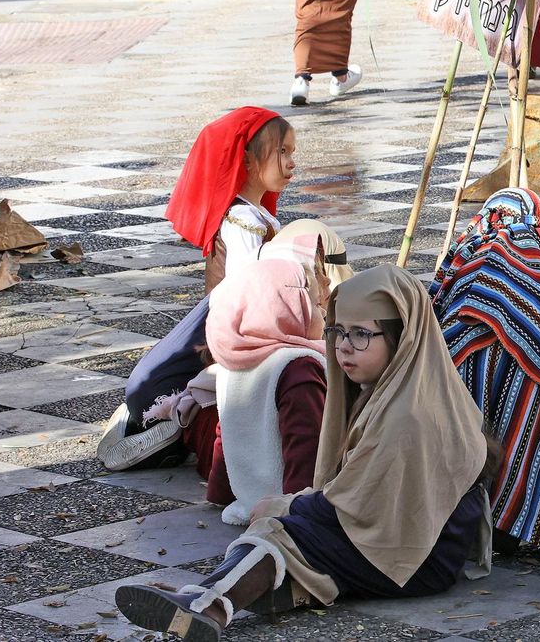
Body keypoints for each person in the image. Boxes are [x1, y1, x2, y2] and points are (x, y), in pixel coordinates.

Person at [115, 266, 498, 640]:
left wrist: (288, 506)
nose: (344, 347)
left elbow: (353, 507)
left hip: (419, 560)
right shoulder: (402, 388)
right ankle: (229, 594)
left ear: (403, 337)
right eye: (338, 332)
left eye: (362, 334)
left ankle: (207, 605)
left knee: (281, 530)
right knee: (293, 532)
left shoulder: (408, 413)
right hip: (407, 544)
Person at [431, 188, 540, 553]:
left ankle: (469, 515)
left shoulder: (460, 280)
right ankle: (527, 515)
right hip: (535, 488)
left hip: (449, 492)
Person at [101, 220, 352, 473]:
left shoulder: (251, 292)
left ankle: (177, 418)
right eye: (316, 272)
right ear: (294, 287)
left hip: (179, 390)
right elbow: (302, 449)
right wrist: (298, 505)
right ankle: (178, 426)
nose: (326, 282)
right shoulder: (298, 365)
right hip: (169, 392)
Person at [176, 256, 328, 526]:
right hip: (285, 505)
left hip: (250, 501)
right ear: (288, 310)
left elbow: (228, 434)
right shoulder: (298, 366)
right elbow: (306, 444)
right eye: (316, 304)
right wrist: (298, 509)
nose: (324, 313)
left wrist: (220, 491)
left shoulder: (235, 363)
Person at [165, 107, 294, 293]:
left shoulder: (255, 212)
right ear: (247, 159)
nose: (291, 162)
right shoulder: (243, 218)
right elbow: (246, 290)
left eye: (291, 152)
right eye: (282, 151)